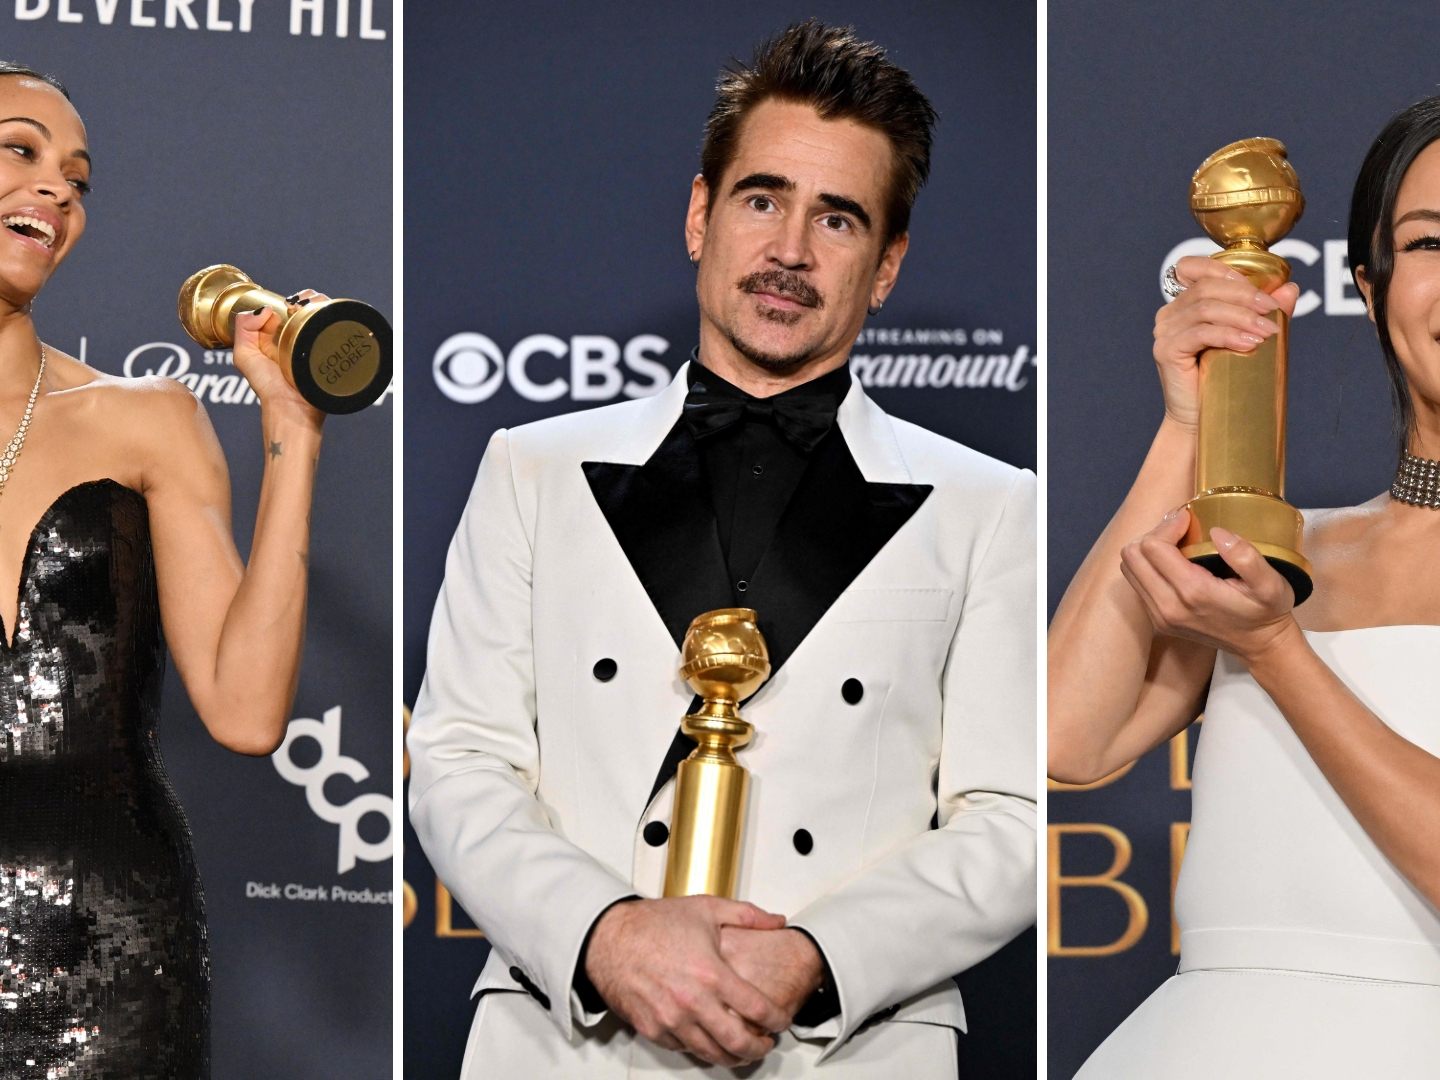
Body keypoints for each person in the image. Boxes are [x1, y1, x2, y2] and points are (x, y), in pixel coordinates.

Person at [407, 20, 1036, 1079]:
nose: (791, 250)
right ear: (701, 215)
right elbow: (460, 757)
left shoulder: (987, 506)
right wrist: (606, 932)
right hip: (568, 1038)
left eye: (838, 220)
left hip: (846, 1048)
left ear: (886, 268)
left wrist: (815, 955)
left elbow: (1012, 819)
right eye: (763, 199)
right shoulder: (533, 468)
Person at [1049, 96, 1440, 1078]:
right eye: (1433, 242)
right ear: (1371, 285)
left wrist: (1277, 652)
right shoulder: (1285, 549)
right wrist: (1189, 423)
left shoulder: (1269, 613)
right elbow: (1069, 737)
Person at [0, 62, 326, 1076]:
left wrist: (293, 430)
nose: (58, 190)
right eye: (21, 150)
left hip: (112, 954)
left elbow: (243, 709)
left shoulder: (151, 420)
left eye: (79, 179)